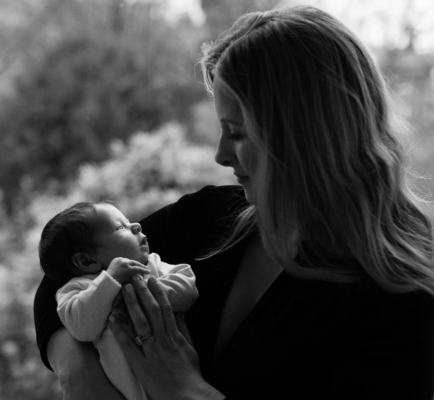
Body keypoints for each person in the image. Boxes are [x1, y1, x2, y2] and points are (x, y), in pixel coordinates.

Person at [34, 5, 434, 399]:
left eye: (238, 132)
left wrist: (183, 389)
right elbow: (64, 269)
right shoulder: (206, 220)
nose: (221, 154)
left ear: (303, 134)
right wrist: (77, 370)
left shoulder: (403, 300)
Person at [38, 201, 198, 400]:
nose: (136, 226)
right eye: (121, 227)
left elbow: (188, 288)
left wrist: (140, 293)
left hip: (180, 384)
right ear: (86, 261)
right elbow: (81, 328)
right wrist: (110, 281)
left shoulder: (152, 266)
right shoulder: (78, 288)